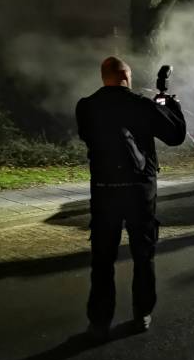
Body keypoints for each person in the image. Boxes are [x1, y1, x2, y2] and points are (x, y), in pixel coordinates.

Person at [76, 56, 187, 340]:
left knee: (102, 259)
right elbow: (175, 135)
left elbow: (87, 136)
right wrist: (169, 103)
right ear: (126, 77)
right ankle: (142, 314)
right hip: (139, 190)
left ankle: (99, 322)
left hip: (103, 191)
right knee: (143, 254)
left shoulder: (86, 107)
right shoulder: (142, 105)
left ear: (104, 77)